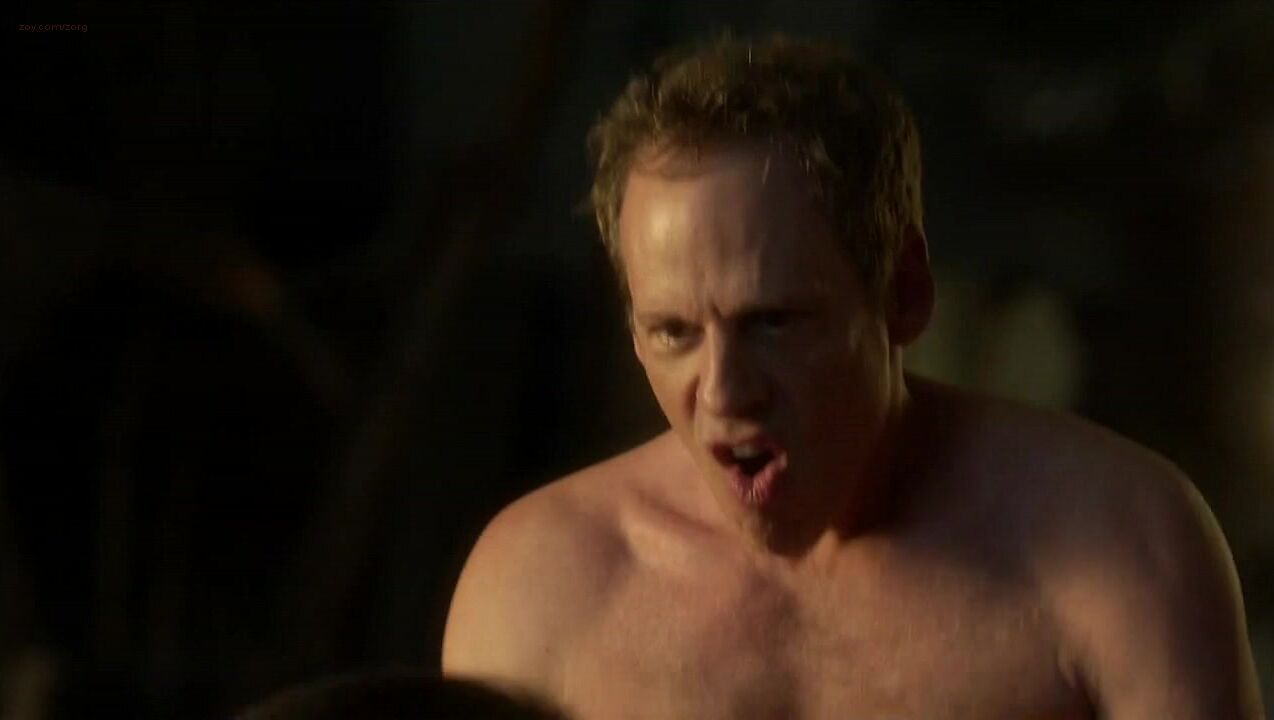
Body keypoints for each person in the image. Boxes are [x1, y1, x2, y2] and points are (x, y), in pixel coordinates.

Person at [441, 34, 1264, 719]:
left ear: (903, 295)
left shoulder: (1124, 547)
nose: (725, 392)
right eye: (673, 332)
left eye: (774, 321)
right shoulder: (539, 589)